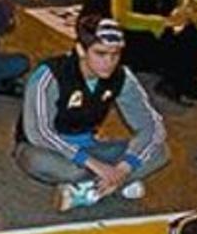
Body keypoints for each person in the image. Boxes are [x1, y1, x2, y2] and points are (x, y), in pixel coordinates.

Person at [14, 16, 169, 211]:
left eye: (115, 55)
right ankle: (113, 184)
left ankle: (89, 191)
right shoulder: (49, 75)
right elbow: (39, 132)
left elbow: (152, 126)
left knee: (160, 151)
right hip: (48, 149)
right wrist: (94, 164)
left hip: (90, 148)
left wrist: (124, 167)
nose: (109, 62)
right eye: (100, 54)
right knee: (41, 162)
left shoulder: (122, 77)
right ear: (80, 49)